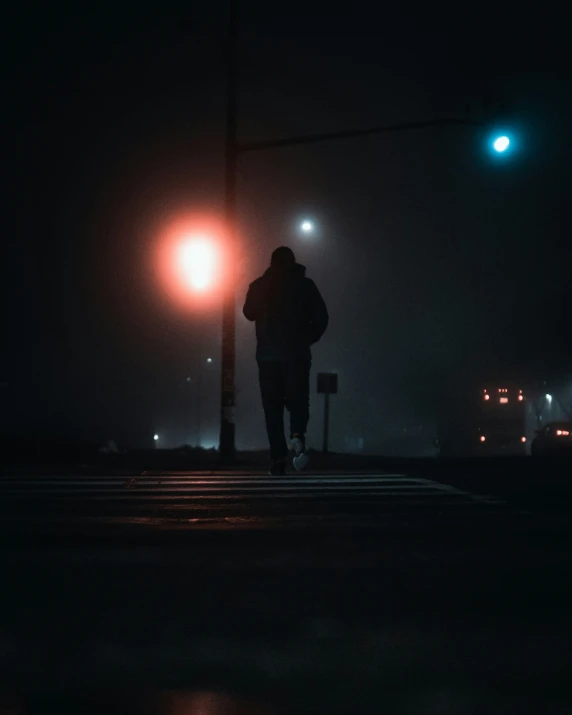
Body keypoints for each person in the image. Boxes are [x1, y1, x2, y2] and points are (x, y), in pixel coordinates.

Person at [243, 246, 329, 475]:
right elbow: (322, 317)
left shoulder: (259, 286)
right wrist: (306, 339)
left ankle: (277, 458)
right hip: (297, 355)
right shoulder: (306, 286)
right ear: (293, 262)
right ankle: (297, 435)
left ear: (271, 263)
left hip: (268, 357)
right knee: (299, 400)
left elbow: (248, 312)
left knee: (272, 408)